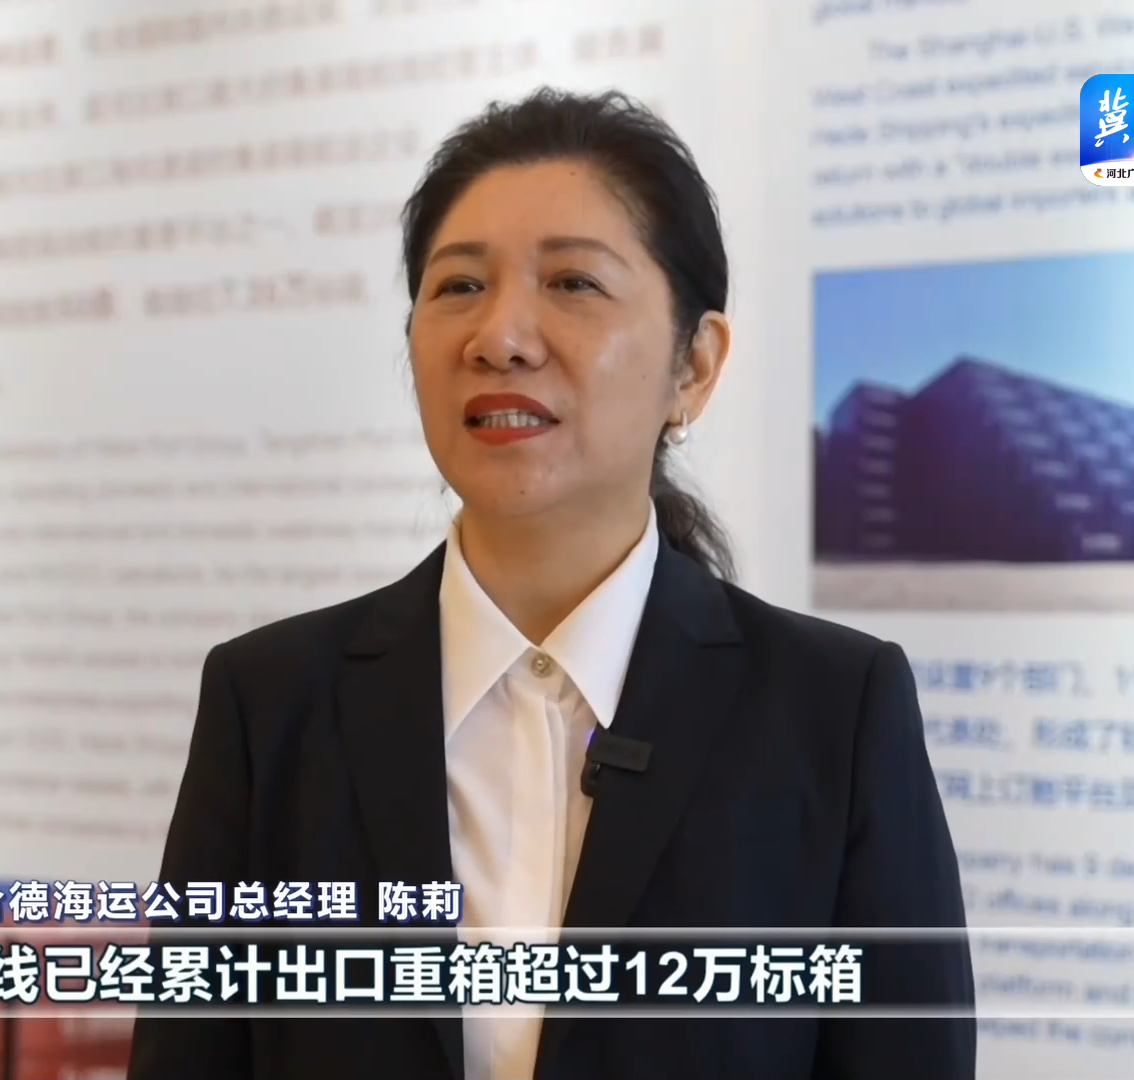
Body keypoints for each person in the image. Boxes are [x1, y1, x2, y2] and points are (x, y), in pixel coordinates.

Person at [127, 87, 974, 1080]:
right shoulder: (272, 705)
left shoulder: (833, 711)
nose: (501, 337)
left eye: (573, 282)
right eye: (458, 286)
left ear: (694, 366)